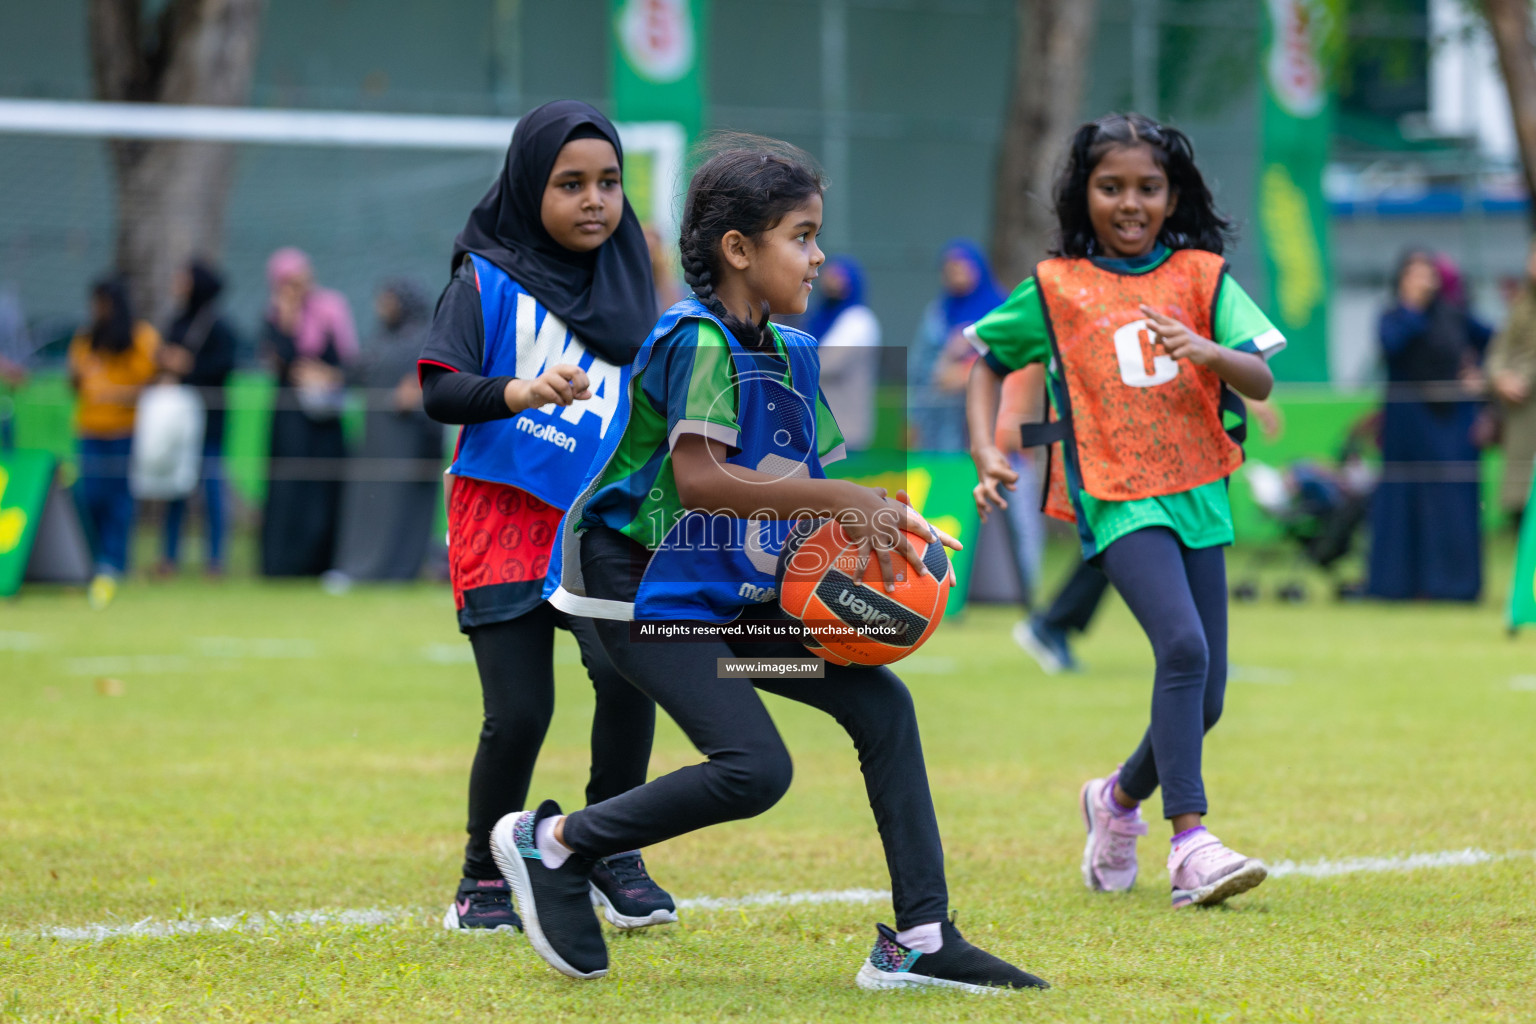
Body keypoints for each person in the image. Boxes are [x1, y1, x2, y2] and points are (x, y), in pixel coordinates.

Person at [537, 136, 1049, 991]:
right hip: (638, 586)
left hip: (728, 598)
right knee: (755, 768)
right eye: (802, 236)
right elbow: (703, 483)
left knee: (881, 705)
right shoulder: (695, 341)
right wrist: (850, 503)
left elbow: (793, 489)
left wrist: (888, 525)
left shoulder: (795, 352)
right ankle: (551, 845)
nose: (818, 257)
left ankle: (922, 938)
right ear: (738, 250)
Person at [966, 114, 1284, 909]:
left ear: (1174, 196)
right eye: (1112, 187)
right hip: (1113, 493)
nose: (1131, 202)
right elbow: (987, 361)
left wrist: (1212, 353)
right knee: (1181, 647)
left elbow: (1261, 379)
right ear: (1086, 194)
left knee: (1205, 695)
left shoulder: (1205, 277)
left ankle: (1114, 802)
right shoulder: (1056, 287)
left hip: (1200, 492)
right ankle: (1191, 844)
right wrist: (985, 447)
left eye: (1148, 187)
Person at [415, 101, 671, 935]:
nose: (595, 200)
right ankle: (482, 877)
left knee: (630, 678)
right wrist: (520, 392)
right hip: (502, 514)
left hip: (598, 523)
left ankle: (608, 850)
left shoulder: (639, 294)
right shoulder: (483, 277)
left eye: (608, 183)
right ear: (530, 188)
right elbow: (439, 389)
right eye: (570, 184)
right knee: (521, 713)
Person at [1366, 250, 1489, 601]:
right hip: (1406, 428)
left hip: (1448, 427)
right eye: (1414, 274)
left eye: (1428, 274)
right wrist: (1412, 310)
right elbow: (1391, 345)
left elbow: (1492, 340)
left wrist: (1479, 374)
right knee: (1401, 502)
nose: (1423, 281)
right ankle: (1396, 585)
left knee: (1448, 504)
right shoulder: (1393, 317)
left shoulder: (1453, 316)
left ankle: (1451, 585)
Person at [326, 279, 442, 584]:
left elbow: (443, 376)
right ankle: (361, 567)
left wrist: (424, 385)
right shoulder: (381, 338)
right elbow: (358, 371)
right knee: (369, 504)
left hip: (411, 439)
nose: (382, 308)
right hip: (376, 438)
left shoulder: (428, 337)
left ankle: (398, 570)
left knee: (403, 505)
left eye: (388, 301)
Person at [259, 248, 356, 578]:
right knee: (289, 490)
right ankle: (282, 565)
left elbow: (347, 362)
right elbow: (282, 359)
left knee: (324, 491)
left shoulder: (331, 309)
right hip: (290, 421)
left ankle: (323, 563)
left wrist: (326, 375)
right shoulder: (274, 317)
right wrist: (286, 316)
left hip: (325, 421)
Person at [68, 277, 161, 608]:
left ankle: (115, 563)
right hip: (90, 430)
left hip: (124, 431)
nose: (98, 309)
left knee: (119, 500)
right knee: (90, 496)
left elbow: (149, 381)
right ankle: (88, 562)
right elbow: (75, 379)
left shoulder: (140, 336)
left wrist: (112, 394)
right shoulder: (87, 337)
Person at [158, 259, 238, 577]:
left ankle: (215, 559)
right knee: (174, 489)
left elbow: (224, 366)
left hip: (210, 422)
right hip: (176, 422)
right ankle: (168, 557)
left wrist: (188, 365)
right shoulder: (176, 322)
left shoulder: (219, 327)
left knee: (213, 490)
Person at [909, 240, 1003, 451]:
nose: (955, 274)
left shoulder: (999, 312)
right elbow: (919, 364)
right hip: (938, 417)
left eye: (962, 267)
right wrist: (913, 417)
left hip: (987, 416)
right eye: (949, 269)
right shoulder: (938, 312)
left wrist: (966, 369)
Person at [806, 255, 880, 451]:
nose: (831, 282)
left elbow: (828, 364)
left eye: (838, 277)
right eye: (829, 276)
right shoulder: (818, 318)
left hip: (845, 427)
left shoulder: (859, 320)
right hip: (814, 426)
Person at [1486, 241, 1536, 528]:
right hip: (1524, 412)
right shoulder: (1522, 305)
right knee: (1523, 497)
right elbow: (1498, 352)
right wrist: (1501, 378)